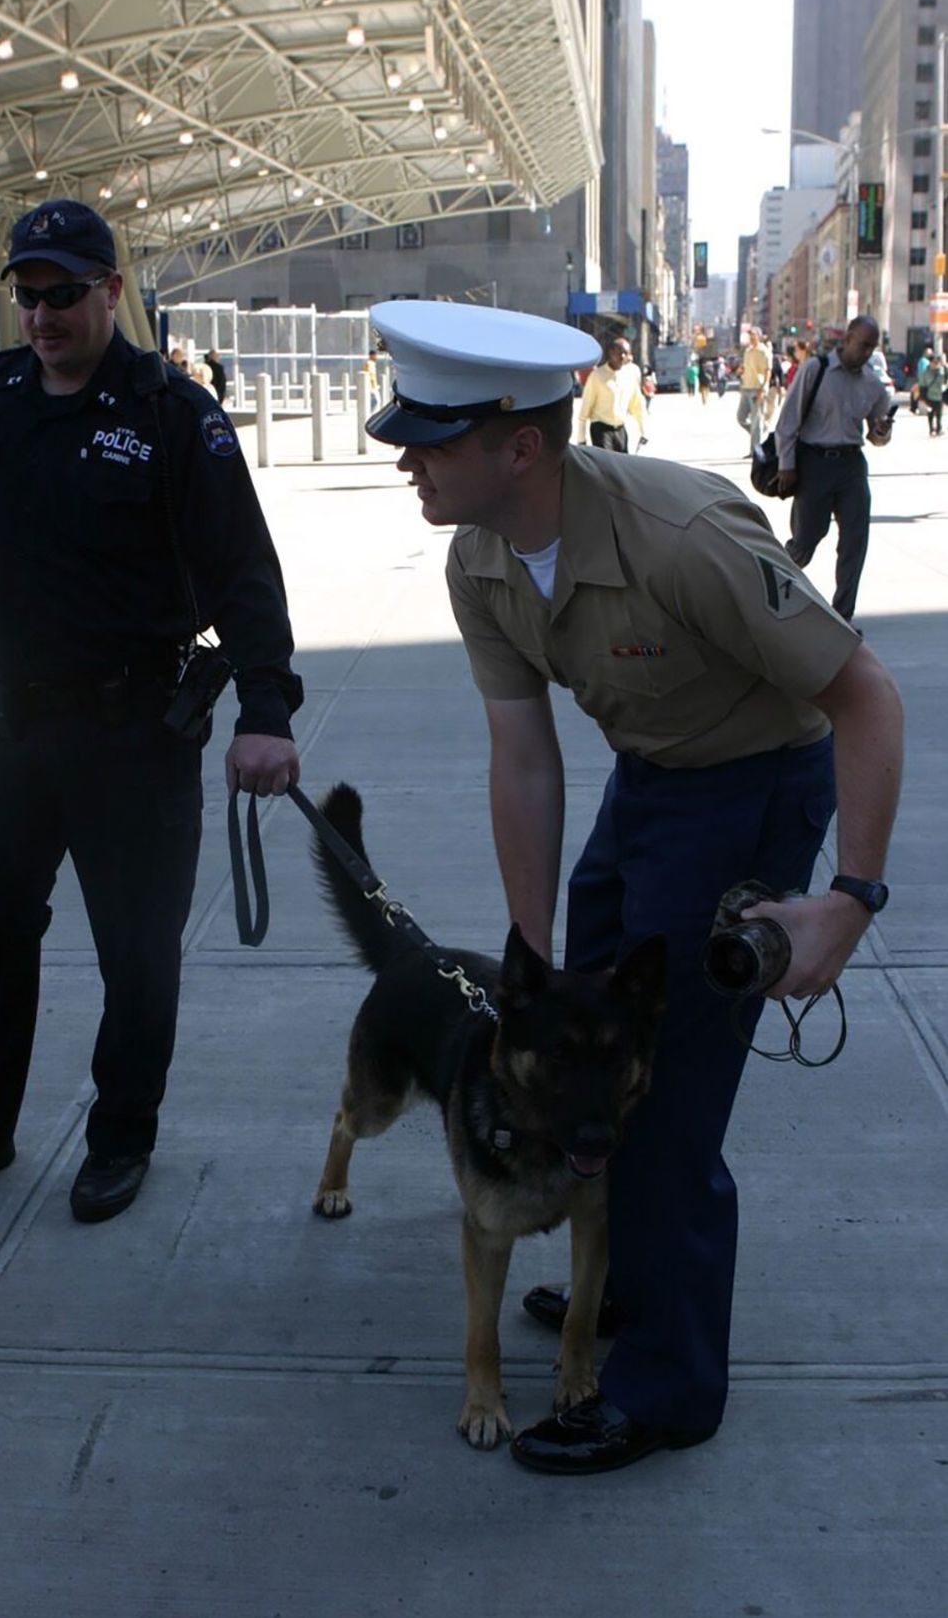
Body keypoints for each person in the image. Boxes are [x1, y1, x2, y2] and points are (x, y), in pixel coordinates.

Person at [364, 298, 902, 1475]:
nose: (405, 456)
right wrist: (524, 965)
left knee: (660, 1093)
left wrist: (849, 897)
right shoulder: (480, 554)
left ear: (519, 445)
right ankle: (626, 1290)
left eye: (432, 439)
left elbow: (865, 694)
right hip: (651, 779)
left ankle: (666, 1386)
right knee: (574, 1038)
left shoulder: (682, 537)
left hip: (758, 786)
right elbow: (523, 750)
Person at [0, 198, 303, 1225]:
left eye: (64, 293)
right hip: (6, 735)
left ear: (111, 289)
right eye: (27, 295)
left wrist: (267, 710)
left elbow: (244, 574)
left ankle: (120, 1140)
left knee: (138, 957)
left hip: (132, 739)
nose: (43, 313)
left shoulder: (170, 414)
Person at [773, 315, 893, 623]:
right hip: (814, 464)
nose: (866, 352)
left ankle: (843, 618)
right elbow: (788, 420)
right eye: (863, 344)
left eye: (872, 347)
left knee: (855, 542)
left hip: (852, 466)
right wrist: (787, 465)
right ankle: (771, 593)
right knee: (805, 542)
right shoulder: (817, 369)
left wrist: (882, 430)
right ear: (848, 336)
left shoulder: (873, 384)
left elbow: (876, 438)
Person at [574, 336, 646, 452]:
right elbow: (585, 409)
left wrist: (644, 431)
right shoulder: (597, 376)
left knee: (621, 466)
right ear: (611, 353)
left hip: (620, 430)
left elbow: (637, 407)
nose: (622, 357)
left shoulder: (630, 375)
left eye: (625, 353)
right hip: (601, 430)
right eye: (619, 353)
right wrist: (581, 438)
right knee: (606, 467)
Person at [736, 327, 770, 454]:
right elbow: (745, 367)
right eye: (750, 336)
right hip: (746, 388)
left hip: (757, 388)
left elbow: (768, 371)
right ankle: (758, 435)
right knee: (741, 417)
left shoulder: (764, 351)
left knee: (756, 420)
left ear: (759, 336)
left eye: (753, 336)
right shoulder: (747, 351)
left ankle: (756, 451)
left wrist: (763, 389)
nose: (751, 338)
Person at [919, 350, 945, 436]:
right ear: (930, 362)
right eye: (934, 362)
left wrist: (945, 365)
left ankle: (939, 428)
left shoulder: (942, 371)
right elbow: (922, 385)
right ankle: (931, 429)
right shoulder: (926, 372)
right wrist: (923, 398)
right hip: (929, 396)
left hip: (940, 396)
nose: (936, 364)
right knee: (930, 413)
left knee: (939, 414)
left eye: (937, 362)